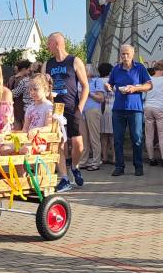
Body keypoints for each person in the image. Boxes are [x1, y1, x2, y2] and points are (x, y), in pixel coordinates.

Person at [44, 32, 89, 191]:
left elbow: (85, 86)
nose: (47, 46)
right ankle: (64, 178)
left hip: (72, 107)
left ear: (56, 43)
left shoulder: (74, 61)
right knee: (59, 144)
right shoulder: (47, 64)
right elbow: (44, 87)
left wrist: (80, 107)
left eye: (49, 43)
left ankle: (74, 167)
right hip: (55, 109)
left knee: (78, 144)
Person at [107, 44, 152, 177]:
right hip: (118, 109)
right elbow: (110, 84)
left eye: (127, 54)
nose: (125, 56)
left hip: (135, 109)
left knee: (137, 138)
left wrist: (135, 88)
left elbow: (149, 85)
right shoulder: (116, 69)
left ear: (133, 54)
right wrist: (107, 86)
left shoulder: (140, 68)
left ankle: (138, 166)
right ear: (120, 54)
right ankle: (119, 167)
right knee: (118, 139)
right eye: (123, 54)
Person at [144, 61, 163, 167]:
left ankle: (151, 159)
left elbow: (143, 96)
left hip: (148, 107)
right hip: (161, 108)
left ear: (154, 69)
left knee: (149, 135)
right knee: (162, 135)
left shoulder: (148, 79)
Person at [81, 63, 106, 170]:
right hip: (82, 111)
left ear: (90, 71)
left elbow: (101, 98)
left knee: (94, 137)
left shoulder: (97, 81)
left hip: (93, 110)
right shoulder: (81, 81)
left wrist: (88, 93)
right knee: (83, 138)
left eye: (85, 70)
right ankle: (83, 161)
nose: (83, 71)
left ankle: (96, 161)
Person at [98, 63, 115, 165]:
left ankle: (104, 156)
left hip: (101, 110)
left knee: (103, 135)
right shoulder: (112, 81)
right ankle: (114, 157)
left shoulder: (98, 81)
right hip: (112, 108)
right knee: (113, 135)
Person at [8, 60, 33, 130]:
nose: (30, 71)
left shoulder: (11, 78)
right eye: (29, 69)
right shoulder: (24, 80)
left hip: (13, 107)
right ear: (24, 69)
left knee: (17, 129)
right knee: (25, 129)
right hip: (22, 107)